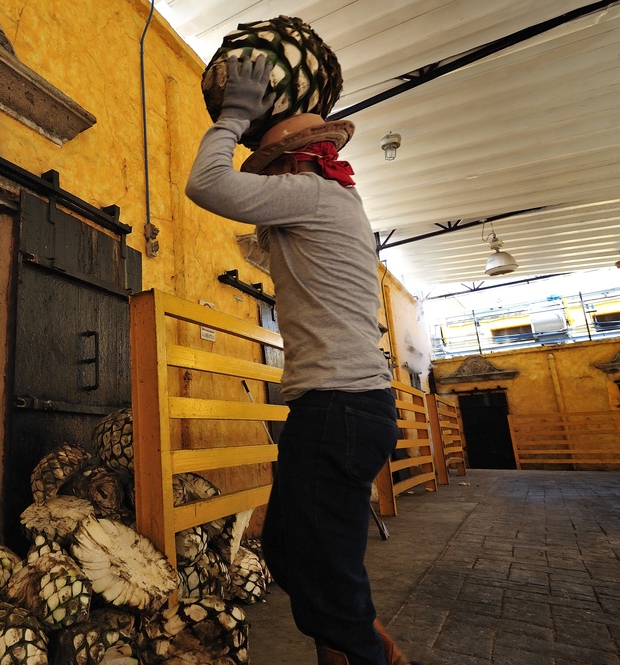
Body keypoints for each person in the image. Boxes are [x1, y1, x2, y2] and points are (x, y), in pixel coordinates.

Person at [185, 55, 420, 665]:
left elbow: (206, 184)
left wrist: (234, 115)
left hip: (338, 409)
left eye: (272, 166)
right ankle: (362, 642)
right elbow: (280, 257)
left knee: (327, 579)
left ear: (293, 162)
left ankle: (362, 650)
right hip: (341, 410)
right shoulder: (336, 205)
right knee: (291, 552)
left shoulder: (312, 194)